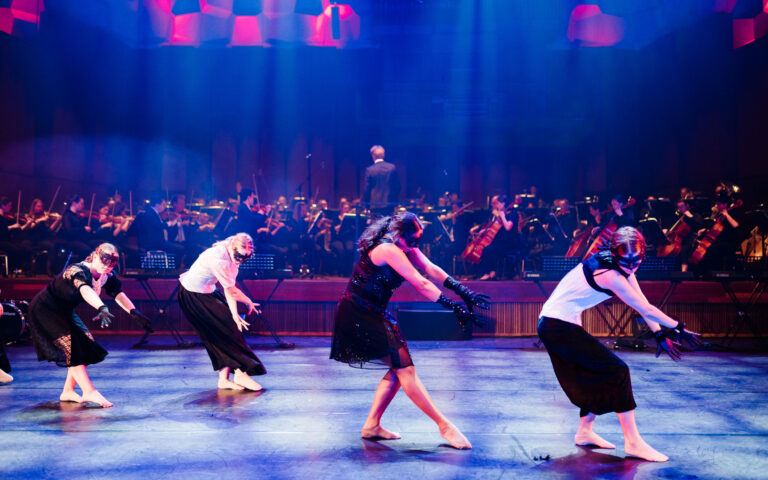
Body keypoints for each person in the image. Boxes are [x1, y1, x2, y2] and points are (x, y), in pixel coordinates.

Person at [536, 226, 700, 462]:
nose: (632, 267)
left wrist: (659, 335)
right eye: (627, 261)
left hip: (563, 323)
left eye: (637, 261)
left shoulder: (623, 265)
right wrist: (678, 328)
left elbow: (641, 303)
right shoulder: (610, 274)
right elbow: (646, 309)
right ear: (614, 254)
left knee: (599, 373)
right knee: (617, 370)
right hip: (556, 326)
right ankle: (633, 443)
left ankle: (584, 432)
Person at [330, 212, 490, 449]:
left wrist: (464, 291)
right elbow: (421, 282)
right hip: (358, 313)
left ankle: (372, 425)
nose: (415, 246)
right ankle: (444, 426)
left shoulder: (402, 245)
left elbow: (430, 268)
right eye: (412, 241)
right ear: (397, 235)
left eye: (418, 240)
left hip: (373, 311)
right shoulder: (388, 249)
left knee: (399, 370)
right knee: (405, 369)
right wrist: (455, 307)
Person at [26, 243, 152, 407]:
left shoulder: (106, 275)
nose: (106, 267)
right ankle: (88, 391)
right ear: (94, 256)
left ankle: (68, 391)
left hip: (64, 310)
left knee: (86, 344)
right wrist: (101, 307)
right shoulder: (77, 270)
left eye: (110, 265)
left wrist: (134, 312)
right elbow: (85, 290)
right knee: (73, 347)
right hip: (45, 309)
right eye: (103, 263)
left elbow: (118, 294)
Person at [177, 233, 266, 391]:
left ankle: (224, 379)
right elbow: (231, 291)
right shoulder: (218, 259)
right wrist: (247, 302)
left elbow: (229, 289)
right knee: (224, 332)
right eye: (239, 256)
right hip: (193, 296)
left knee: (225, 330)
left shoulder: (232, 256)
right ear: (233, 246)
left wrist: (234, 314)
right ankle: (240, 372)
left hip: (208, 292)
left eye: (245, 258)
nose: (240, 260)